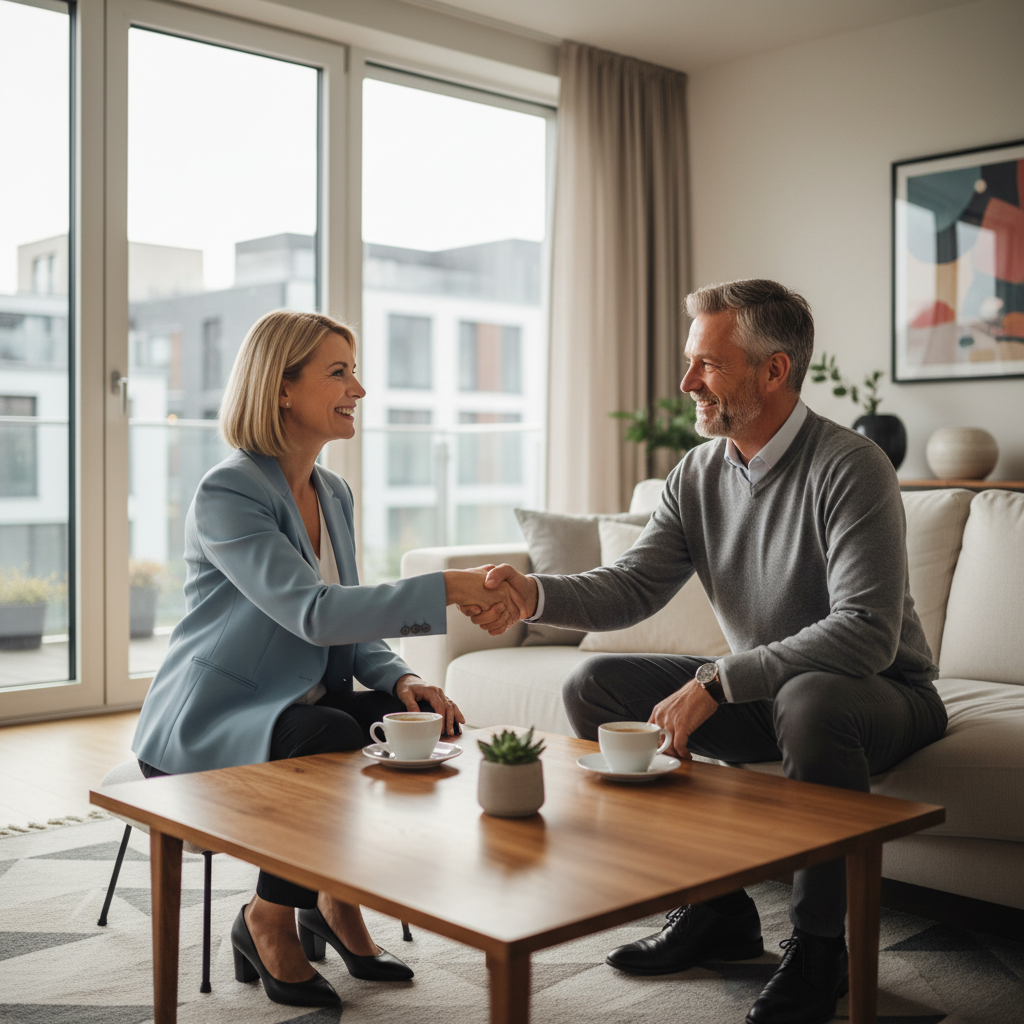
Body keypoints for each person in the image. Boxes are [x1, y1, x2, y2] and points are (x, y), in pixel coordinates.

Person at [466, 280, 948, 1024]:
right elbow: (631, 586)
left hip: (881, 694)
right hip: (772, 696)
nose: (687, 383)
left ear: (774, 371)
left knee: (810, 696)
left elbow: (866, 631)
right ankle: (716, 909)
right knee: (595, 686)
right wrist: (534, 597)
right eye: (690, 362)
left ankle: (823, 948)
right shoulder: (696, 473)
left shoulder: (850, 467)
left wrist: (718, 681)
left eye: (708, 365)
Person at [132, 309, 526, 1010]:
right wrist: (447, 589)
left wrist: (403, 678)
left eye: (354, 370)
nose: (360, 390)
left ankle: (334, 901)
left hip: (294, 709)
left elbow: (344, 621)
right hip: (211, 726)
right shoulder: (229, 492)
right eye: (338, 372)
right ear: (281, 389)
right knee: (334, 735)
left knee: (419, 723)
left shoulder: (332, 492)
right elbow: (310, 613)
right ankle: (269, 917)